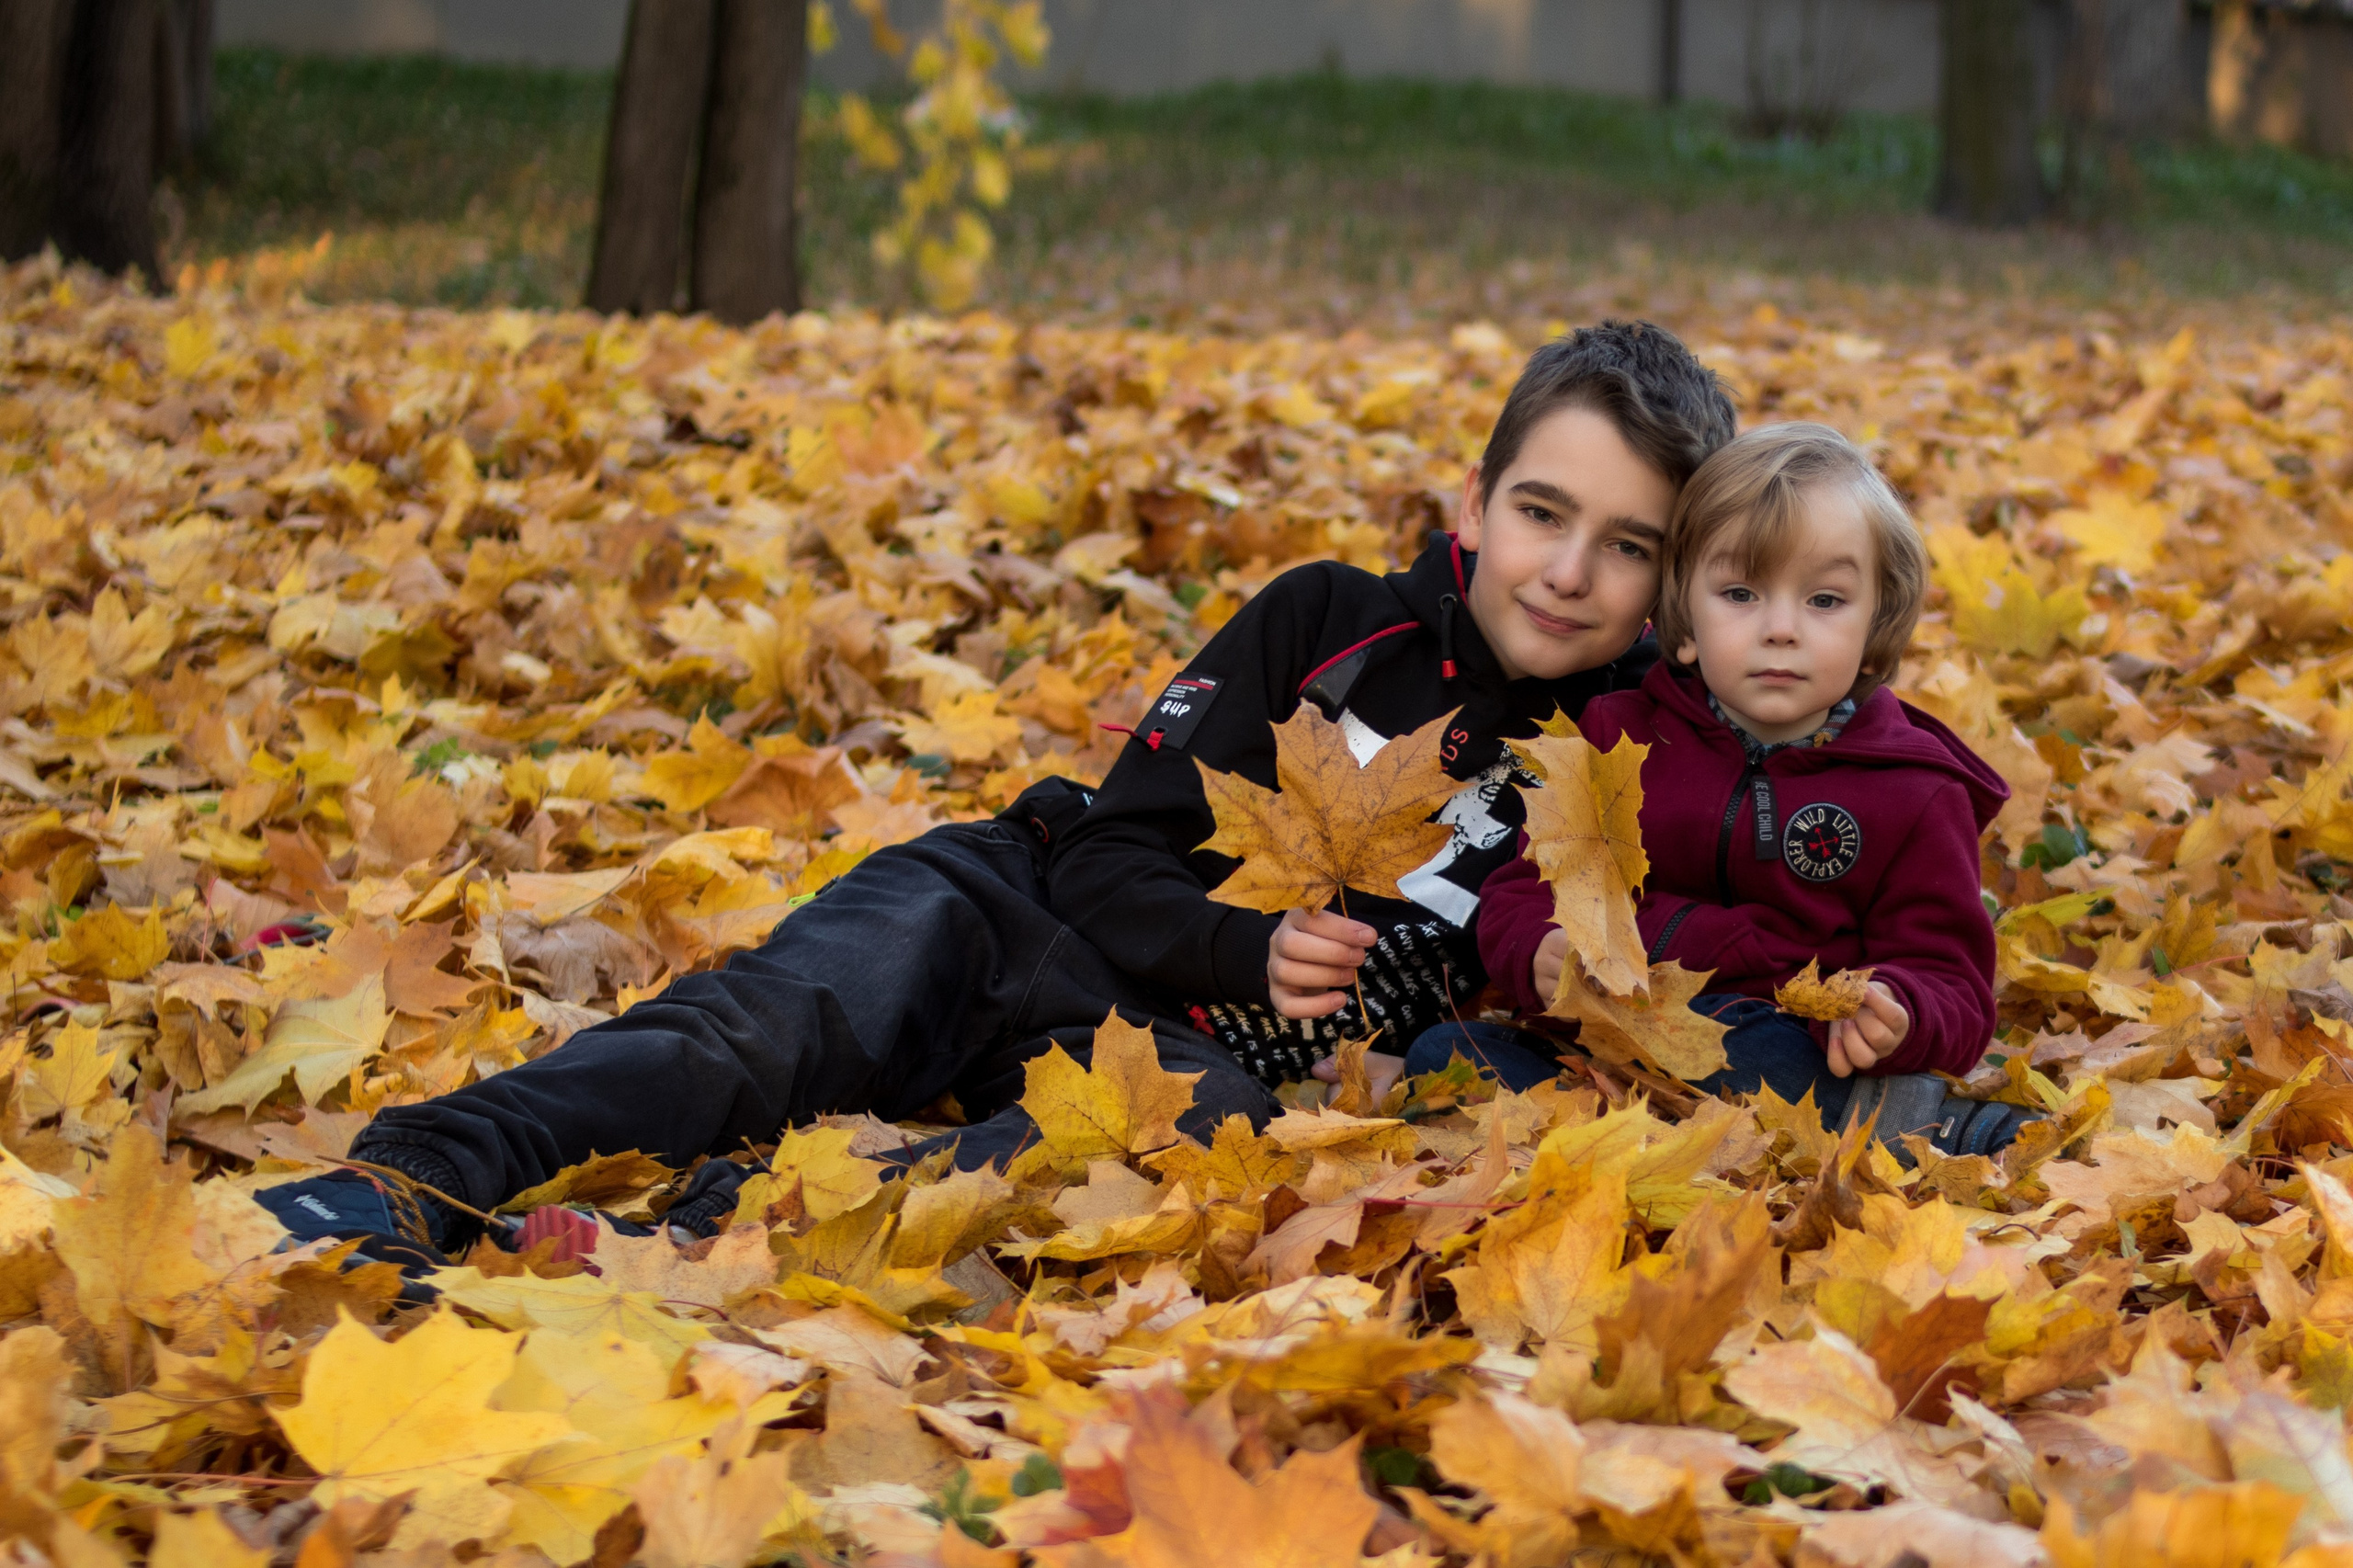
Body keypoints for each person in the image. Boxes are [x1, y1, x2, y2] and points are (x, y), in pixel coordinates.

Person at [256, 321, 1739, 1267]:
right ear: (1473, 509)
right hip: (1019, 905)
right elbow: (1114, 852)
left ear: (1672, 588)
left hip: (1174, 1063)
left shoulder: (1622, 771)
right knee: (770, 1029)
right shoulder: (1331, 618)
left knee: (1157, 1136)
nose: (1566, 568)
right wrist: (1244, 952)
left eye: (1625, 546)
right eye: (1542, 513)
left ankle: (676, 1246)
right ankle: (424, 1175)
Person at [1409, 421, 2039, 1157]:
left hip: (1782, 1051)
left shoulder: (1911, 792)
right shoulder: (1615, 738)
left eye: (1825, 601)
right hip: (1608, 1043)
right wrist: (1537, 950)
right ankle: (1640, 1149)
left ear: (1876, 626)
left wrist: (1897, 1010)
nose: (1780, 628)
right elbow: (1526, 890)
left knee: (1749, 1042)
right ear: (1682, 624)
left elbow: (1953, 982)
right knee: (1443, 1058)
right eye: (1740, 593)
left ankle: (1917, 1124)